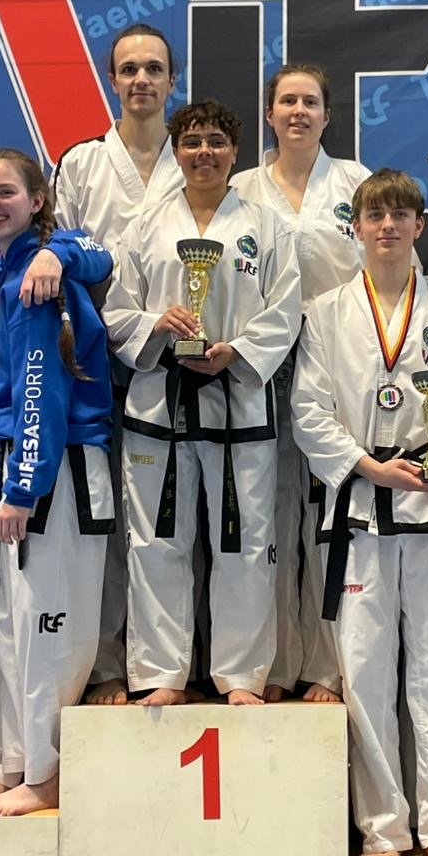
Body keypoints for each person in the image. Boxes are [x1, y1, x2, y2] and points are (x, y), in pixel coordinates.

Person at [292, 168, 428, 856]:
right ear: (356, 227)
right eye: (375, 215)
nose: (387, 226)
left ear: (420, 227)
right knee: (365, 676)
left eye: (400, 215)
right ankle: (383, 828)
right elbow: (308, 411)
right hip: (361, 507)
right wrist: (367, 466)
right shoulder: (325, 312)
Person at [104, 99, 301, 706]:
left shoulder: (266, 226)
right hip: (160, 401)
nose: (204, 153)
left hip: (238, 397)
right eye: (191, 142)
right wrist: (156, 324)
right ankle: (161, 674)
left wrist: (235, 351)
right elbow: (117, 311)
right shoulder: (145, 225)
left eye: (216, 141)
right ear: (176, 151)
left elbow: (286, 309)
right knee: (155, 541)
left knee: (244, 541)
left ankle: (241, 676)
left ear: (235, 151)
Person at [0, 149, 115, 816]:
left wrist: (23, 486)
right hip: (33, 462)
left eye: (5, 192)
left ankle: (48, 769)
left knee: (44, 627)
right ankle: (16, 759)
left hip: (55, 468)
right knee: (14, 625)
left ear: (37, 201)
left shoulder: (35, 281)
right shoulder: (12, 269)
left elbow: (41, 390)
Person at [54, 23, 184, 707]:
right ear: (112, 80)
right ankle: (106, 663)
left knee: (170, 521)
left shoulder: (194, 157)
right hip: (98, 361)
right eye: (129, 69)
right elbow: (62, 253)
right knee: (105, 521)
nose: (141, 80)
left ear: (172, 80)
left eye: (154, 69)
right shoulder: (81, 163)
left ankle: (174, 663)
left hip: (179, 359)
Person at [233, 63, 371, 705]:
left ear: (326, 115)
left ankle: (326, 664)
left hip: (335, 365)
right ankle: (269, 661)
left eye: (310, 102)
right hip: (255, 368)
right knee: (264, 520)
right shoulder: (239, 188)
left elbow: (385, 274)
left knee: (326, 520)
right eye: (286, 101)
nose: (298, 111)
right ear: (269, 114)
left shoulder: (355, 183)